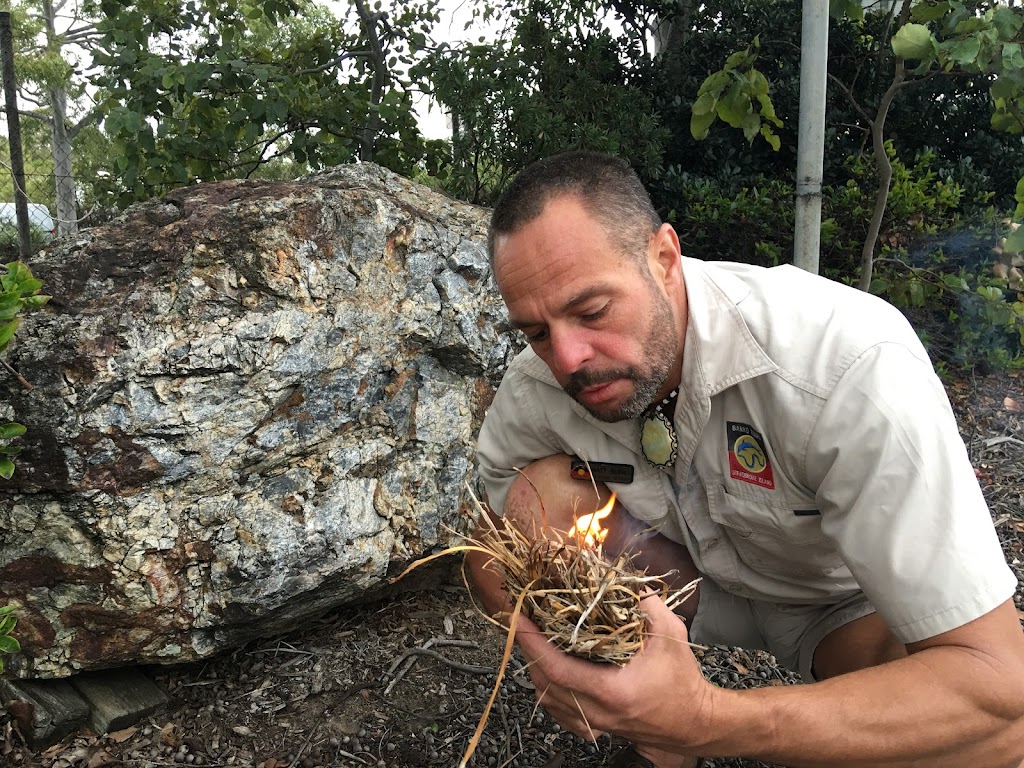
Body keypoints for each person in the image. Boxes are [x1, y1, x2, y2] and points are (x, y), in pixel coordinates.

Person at [468, 150, 1024, 768]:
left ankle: (678, 723)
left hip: (838, 603)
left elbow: (1001, 702)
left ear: (665, 257)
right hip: (680, 585)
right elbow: (492, 548)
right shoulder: (537, 386)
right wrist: (550, 659)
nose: (568, 359)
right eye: (537, 333)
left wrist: (706, 720)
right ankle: (651, 728)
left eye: (592, 311)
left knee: (978, 742)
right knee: (535, 499)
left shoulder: (845, 364)